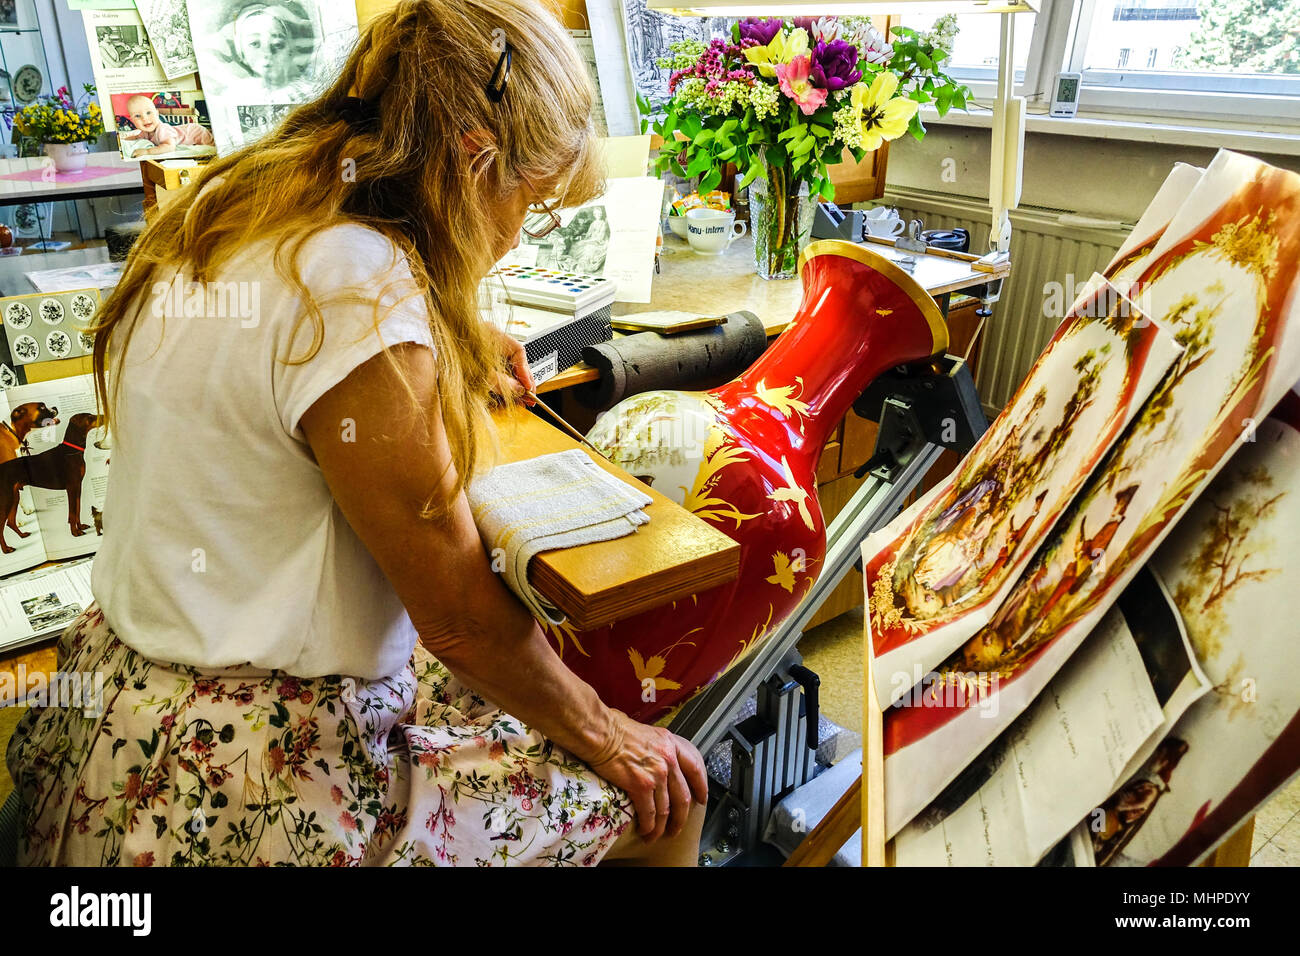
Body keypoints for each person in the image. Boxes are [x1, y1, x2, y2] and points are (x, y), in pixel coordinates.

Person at [6, 0, 707, 867]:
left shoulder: (248, 200)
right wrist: (610, 737)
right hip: (248, 769)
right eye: (529, 200)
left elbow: (268, 360)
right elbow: (457, 624)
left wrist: (434, 338)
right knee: (667, 793)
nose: (521, 232)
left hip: (125, 701)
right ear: (470, 159)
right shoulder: (357, 289)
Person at [119, 94, 216, 157]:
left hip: (194, 131)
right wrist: (122, 139)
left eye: (148, 113)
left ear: (157, 113)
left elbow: (169, 147)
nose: (144, 118)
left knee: (214, 147)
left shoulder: (162, 129)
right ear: (132, 121)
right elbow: (136, 137)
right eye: (137, 116)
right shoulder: (145, 132)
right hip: (189, 130)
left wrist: (147, 151)